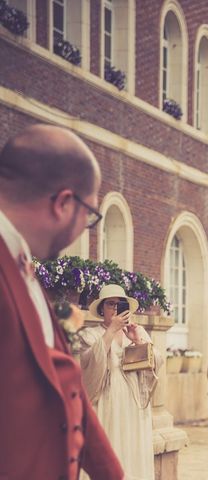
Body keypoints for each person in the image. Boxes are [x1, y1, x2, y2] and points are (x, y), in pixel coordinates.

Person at [0, 124, 124, 479]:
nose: (84, 227)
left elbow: (65, 386)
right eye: (89, 216)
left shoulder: (21, 263)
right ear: (64, 203)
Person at [76, 284, 160, 479]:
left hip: (133, 406)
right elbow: (87, 362)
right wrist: (110, 332)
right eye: (110, 304)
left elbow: (157, 360)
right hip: (106, 403)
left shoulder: (137, 332)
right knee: (110, 448)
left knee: (132, 450)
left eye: (119, 304)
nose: (115, 309)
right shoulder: (90, 334)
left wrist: (138, 342)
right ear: (101, 309)